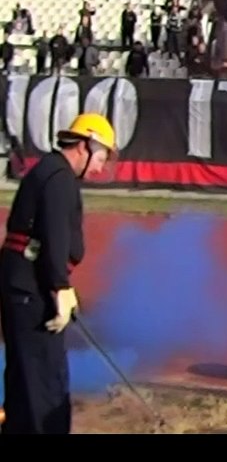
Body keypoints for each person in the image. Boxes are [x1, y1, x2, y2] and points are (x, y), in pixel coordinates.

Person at [1, 112, 117, 435]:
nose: (100, 167)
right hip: (32, 291)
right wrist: (59, 285)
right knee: (43, 382)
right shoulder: (60, 178)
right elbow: (54, 233)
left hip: (24, 286)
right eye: (102, 156)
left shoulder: (50, 172)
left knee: (25, 379)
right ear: (85, 145)